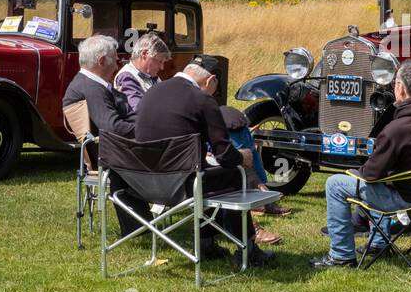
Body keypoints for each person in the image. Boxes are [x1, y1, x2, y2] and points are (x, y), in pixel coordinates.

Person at [136, 55, 274, 266]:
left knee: (207, 171)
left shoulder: (152, 91)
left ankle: (207, 242)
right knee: (234, 174)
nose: (214, 95)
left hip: (142, 183)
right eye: (215, 89)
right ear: (210, 81)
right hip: (182, 186)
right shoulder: (202, 100)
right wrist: (245, 157)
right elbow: (225, 155)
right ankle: (247, 247)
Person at [312, 60, 411, 269]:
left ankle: (341, 255)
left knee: (335, 184)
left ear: (400, 88)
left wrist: (357, 169)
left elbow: (371, 174)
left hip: (407, 200)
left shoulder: (397, 128)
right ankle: (378, 245)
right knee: (386, 178)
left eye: (395, 83)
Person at [62, 34, 148, 241]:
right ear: (101, 61)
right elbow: (112, 126)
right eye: (116, 59)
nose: (119, 63)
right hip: (115, 155)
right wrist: (148, 131)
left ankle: (148, 221)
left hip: (115, 150)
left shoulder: (87, 83)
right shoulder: (92, 88)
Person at [113, 32, 170, 112]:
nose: (162, 67)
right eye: (160, 61)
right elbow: (139, 109)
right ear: (144, 54)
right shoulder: (126, 77)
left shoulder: (151, 75)